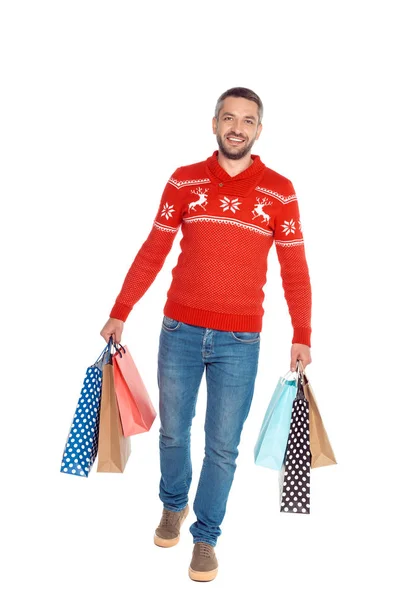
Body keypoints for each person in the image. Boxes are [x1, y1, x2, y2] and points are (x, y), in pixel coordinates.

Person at [100, 87, 312, 582]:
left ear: (259, 130)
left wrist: (302, 332)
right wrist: (120, 309)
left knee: (222, 444)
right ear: (214, 123)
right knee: (173, 430)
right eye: (229, 118)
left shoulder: (279, 191)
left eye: (248, 120)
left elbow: (294, 267)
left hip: (241, 341)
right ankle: (173, 505)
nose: (237, 127)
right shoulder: (184, 181)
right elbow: (154, 248)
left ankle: (206, 535)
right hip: (180, 331)